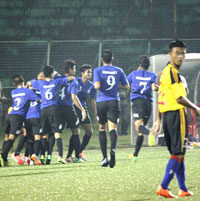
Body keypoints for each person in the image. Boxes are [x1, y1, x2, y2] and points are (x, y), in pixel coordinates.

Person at [152, 40, 200, 198]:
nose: (180, 56)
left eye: (183, 53)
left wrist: (159, 120)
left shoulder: (165, 73)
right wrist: (196, 107)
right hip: (177, 114)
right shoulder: (172, 72)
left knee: (180, 153)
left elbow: (161, 98)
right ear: (170, 54)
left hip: (167, 116)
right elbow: (180, 98)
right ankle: (163, 186)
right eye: (177, 53)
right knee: (178, 153)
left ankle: (183, 188)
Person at [29, 65, 74, 164]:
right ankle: (60, 156)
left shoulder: (40, 83)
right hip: (53, 108)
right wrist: (57, 75)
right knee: (57, 132)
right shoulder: (56, 81)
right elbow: (71, 78)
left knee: (44, 134)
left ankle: (41, 156)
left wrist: (41, 78)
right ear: (52, 73)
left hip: (43, 109)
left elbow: (29, 83)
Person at [93, 49, 130, 168]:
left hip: (102, 102)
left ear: (102, 59)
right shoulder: (119, 70)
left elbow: (97, 86)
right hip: (114, 101)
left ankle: (104, 158)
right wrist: (116, 85)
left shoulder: (97, 70)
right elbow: (127, 86)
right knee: (112, 128)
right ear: (112, 58)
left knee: (102, 128)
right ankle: (112, 151)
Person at [0, 74, 40, 167]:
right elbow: (39, 99)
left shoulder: (13, 92)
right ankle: (2, 156)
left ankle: (4, 159)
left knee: (7, 137)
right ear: (23, 81)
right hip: (18, 117)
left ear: (14, 83)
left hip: (10, 115)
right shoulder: (28, 92)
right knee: (12, 138)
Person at [127, 56, 159, 162]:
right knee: (140, 131)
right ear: (149, 65)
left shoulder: (133, 74)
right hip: (148, 103)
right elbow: (154, 88)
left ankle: (150, 132)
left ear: (139, 64)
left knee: (138, 126)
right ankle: (135, 155)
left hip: (138, 102)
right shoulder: (152, 75)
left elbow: (126, 85)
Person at [57, 59, 86, 163]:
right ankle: (76, 157)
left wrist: (55, 73)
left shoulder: (58, 78)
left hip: (58, 109)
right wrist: (82, 110)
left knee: (56, 133)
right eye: (73, 68)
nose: (75, 71)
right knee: (75, 131)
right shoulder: (73, 81)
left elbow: (41, 76)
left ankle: (46, 156)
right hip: (68, 108)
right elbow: (74, 97)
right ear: (69, 69)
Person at [74, 64, 97, 161]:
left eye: (91, 72)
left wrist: (96, 114)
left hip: (84, 109)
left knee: (89, 131)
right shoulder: (76, 81)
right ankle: (70, 155)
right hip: (73, 108)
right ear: (82, 73)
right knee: (75, 132)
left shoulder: (91, 85)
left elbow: (92, 100)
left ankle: (79, 152)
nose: (90, 74)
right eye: (88, 72)